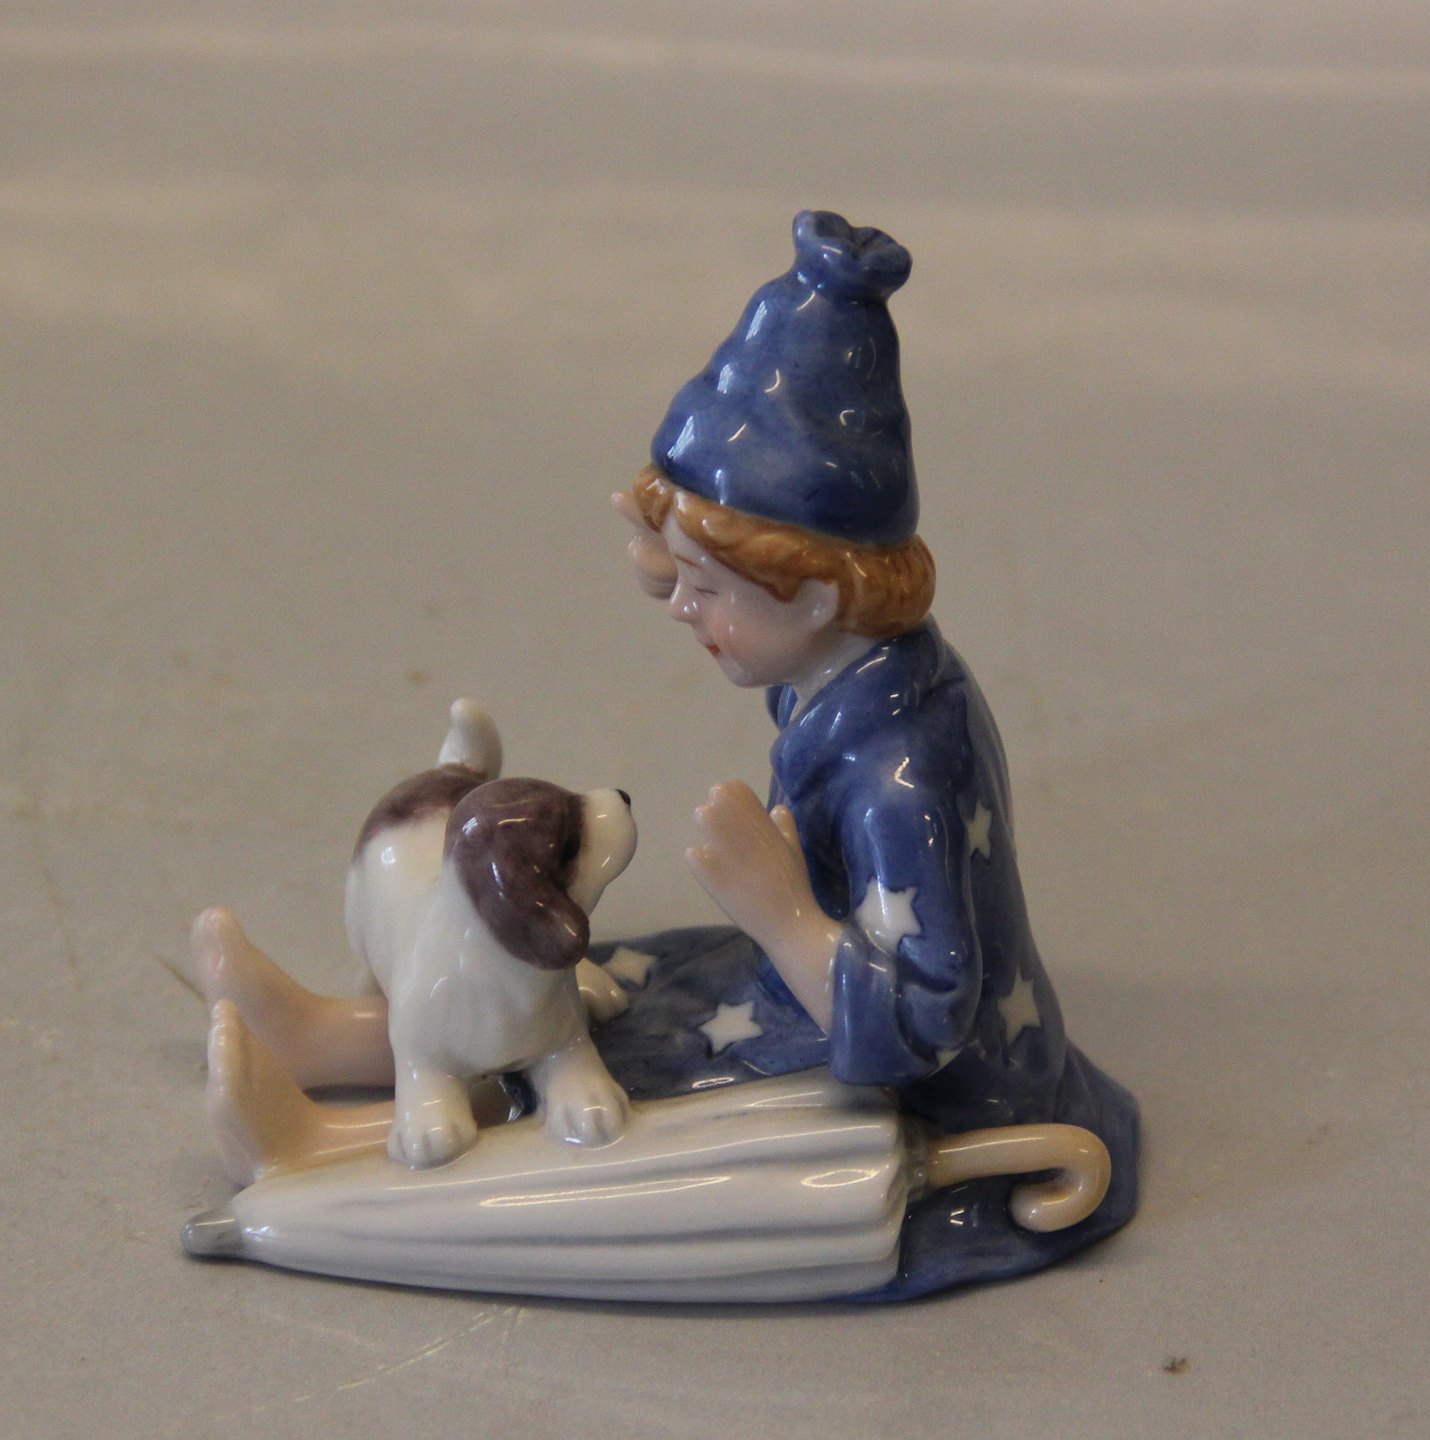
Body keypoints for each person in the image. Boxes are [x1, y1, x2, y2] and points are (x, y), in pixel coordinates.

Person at [196, 211, 1138, 1301]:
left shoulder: (900, 778)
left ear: (815, 595)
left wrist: (778, 908)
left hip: (930, 1087)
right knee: (597, 989)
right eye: (674, 577)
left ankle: (322, 1150)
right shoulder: (851, 670)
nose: (679, 608)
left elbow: (920, 1024)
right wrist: (680, 541)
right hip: (802, 990)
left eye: (705, 588)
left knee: (609, 1092)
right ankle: (333, 1038)